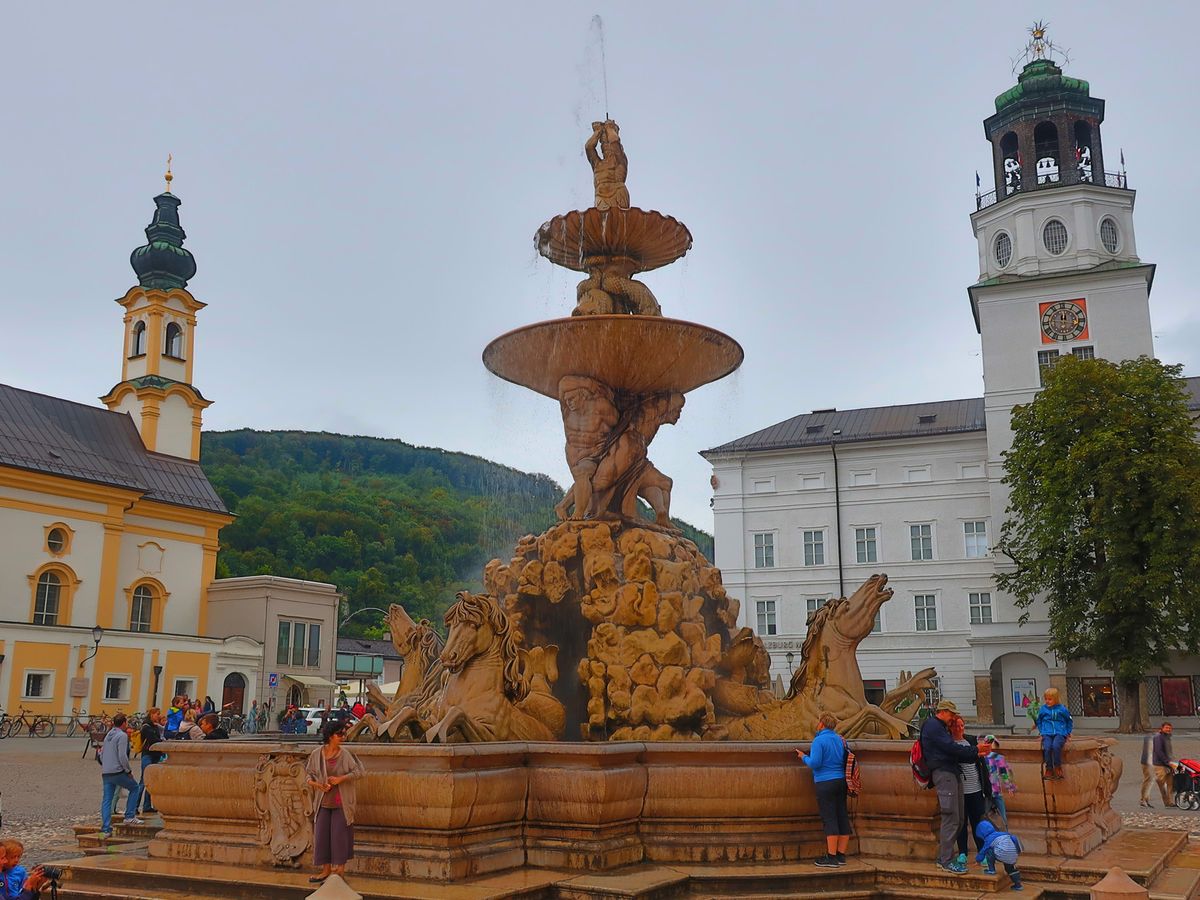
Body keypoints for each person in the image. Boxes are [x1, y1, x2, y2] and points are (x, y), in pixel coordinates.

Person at [919, 699, 986, 875]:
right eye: (952, 714)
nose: (953, 718)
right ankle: (946, 860)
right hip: (944, 774)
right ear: (943, 712)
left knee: (958, 818)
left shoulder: (940, 727)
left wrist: (975, 753)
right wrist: (975, 750)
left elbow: (952, 750)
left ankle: (946, 857)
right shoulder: (933, 726)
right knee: (951, 817)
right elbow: (950, 748)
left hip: (951, 773)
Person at [305, 718, 366, 885]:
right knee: (322, 836)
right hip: (323, 802)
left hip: (341, 803)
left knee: (339, 836)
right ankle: (325, 870)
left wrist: (341, 779)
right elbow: (308, 775)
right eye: (340, 734)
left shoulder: (345, 754)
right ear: (330, 736)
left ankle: (339, 871)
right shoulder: (316, 754)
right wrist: (317, 785)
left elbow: (359, 772)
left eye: (344, 733)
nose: (343, 737)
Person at [797, 712, 852, 868]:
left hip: (825, 782)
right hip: (841, 781)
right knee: (842, 815)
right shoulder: (840, 740)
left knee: (830, 818)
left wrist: (803, 757)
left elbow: (815, 763)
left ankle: (831, 857)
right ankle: (841, 855)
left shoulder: (819, 741)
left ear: (821, 724)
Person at [951, 716, 992, 866]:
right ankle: (963, 852)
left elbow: (981, 763)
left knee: (978, 822)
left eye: (962, 725)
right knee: (961, 823)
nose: (960, 729)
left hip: (975, 788)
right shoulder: (949, 744)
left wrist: (986, 786)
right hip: (959, 790)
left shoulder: (971, 740)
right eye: (957, 726)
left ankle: (982, 852)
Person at [99, 712, 144, 837]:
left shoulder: (109, 735)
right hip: (117, 771)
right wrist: (128, 770)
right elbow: (122, 756)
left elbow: (101, 754)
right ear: (123, 723)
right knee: (135, 788)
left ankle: (106, 828)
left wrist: (105, 765)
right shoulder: (122, 736)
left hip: (106, 771)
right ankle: (129, 815)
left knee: (107, 800)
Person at [1034, 688, 1073, 779]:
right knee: (1047, 747)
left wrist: (1068, 732)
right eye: (1046, 699)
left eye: (1050, 699)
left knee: (1056, 746)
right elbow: (1039, 720)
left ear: (1056, 699)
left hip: (1060, 732)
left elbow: (1069, 720)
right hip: (1047, 733)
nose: (1047, 701)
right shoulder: (1043, 709)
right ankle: (1049, 769)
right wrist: (1042, 731)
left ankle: (1058, 767)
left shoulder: (1062, 709)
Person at [975, 820, 1024, 891]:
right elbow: (1013, 838)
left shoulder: (989, 839)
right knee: (1010, 869)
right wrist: (1017, 852)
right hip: (1013, 854)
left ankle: (991, 870)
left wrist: (978, 860)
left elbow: (983, 851)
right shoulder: (1002, 833)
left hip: (1002, 854)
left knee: (989, 850)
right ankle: (1018, 885)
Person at [984, 736, 1017, 828]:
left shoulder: (980, 757)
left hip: (985, 790)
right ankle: (1004, 832)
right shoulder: (998, 757)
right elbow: (1004, 774)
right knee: (1002, 816)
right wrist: (1010, 787)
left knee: (984, 816)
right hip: (995, 790)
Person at [138, 708, 165, 814]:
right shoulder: (146, 727)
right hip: (147, 755)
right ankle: (135, 806)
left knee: (151, 782)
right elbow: (153, 740)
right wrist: (162, 742)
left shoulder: (155, 726)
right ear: (152, 714)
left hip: (155, 755)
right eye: (157, 714)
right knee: (143, 781)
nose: (159, 716)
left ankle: (147, 806)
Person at [1153, 722, 1175, 808]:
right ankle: (1166, 802)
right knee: (1162, 784)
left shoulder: (1167, 737)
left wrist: (1172, 761)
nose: (1168, 729)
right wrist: (1167, 761)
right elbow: (1159, 751)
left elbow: (1169, 751)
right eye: (1166, 728)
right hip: (1160, 764)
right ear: (1162, 728)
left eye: (1169, 728)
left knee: (1170, 783)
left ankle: (1170, 802)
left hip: (1169, 763)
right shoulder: (1158, 737)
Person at [1140, 730, 1157, 808]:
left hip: (1148, 762)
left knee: (1149, 780)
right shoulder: (1152, 738)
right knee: (1148, 780)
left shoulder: (1149, 737)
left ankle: (1145, 799)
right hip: (1148, 762)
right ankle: (1143, 800)